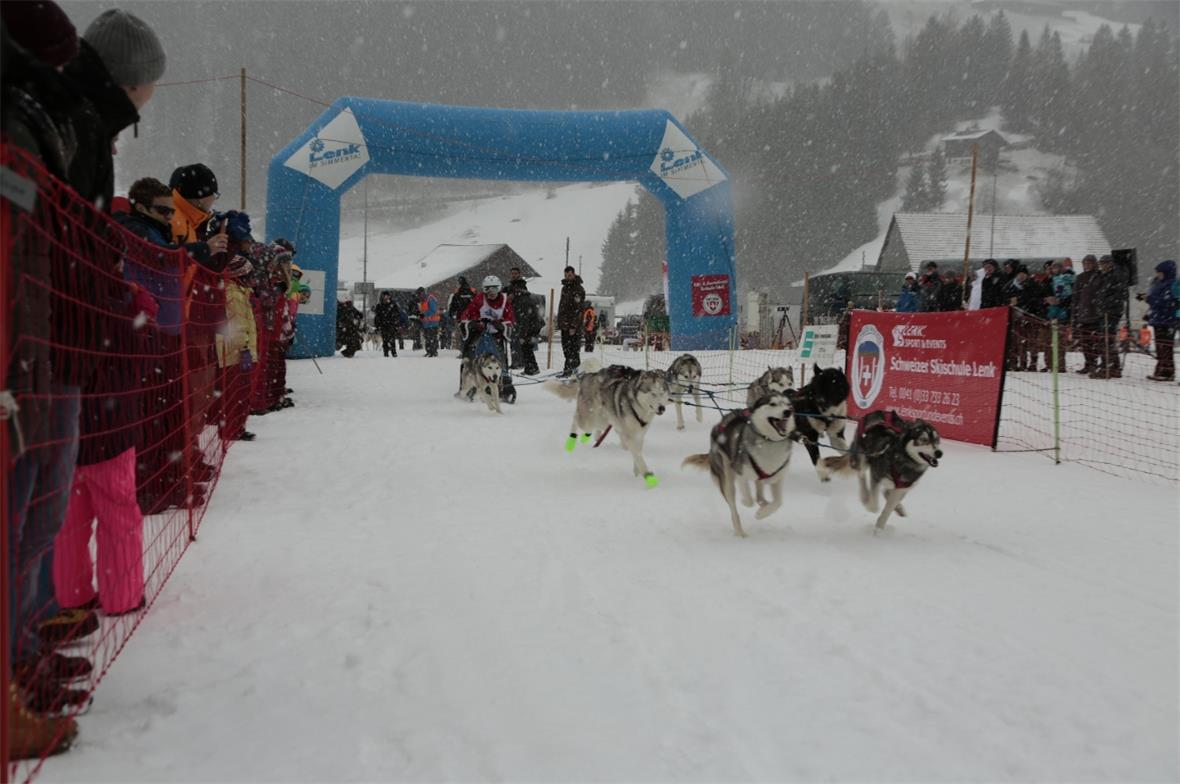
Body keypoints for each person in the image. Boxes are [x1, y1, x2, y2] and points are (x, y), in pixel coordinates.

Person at [1, 1, 86, 757]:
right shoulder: (17, 127)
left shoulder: (32, 123)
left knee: (31, 521)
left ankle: (18, 661)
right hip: (20, 359)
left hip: (33, 357)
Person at [460, 275, 517, 371]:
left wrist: (502, 324)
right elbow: (467, 314)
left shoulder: (504, 301)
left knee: (499, 353)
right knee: (471, 349)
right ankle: (469, 371)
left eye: (494, 288)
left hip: (497, 333)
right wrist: (476, 322)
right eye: (487, 289)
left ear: (499, 288)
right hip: (480, 332)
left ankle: (503, 373)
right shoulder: (479, 299)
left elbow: (510, 318)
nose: (491, 292)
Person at [1090, 254, 1126, 379]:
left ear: (1110, 264)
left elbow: (1118, 294)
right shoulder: (1102, 276)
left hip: (1111, 312)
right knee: (1105, 339)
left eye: (1105, 263)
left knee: (1107, 340)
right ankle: (1113, 366)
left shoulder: (1116, 276)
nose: (1102, 266)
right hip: (1103, 311)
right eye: (1101, 263)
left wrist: (1105, 305)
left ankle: (1108, 366)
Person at [1141, 260, 1177, 381]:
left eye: (1159, 273)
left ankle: (1167, 371)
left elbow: (1166, 302)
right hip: (1160, 319)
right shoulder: (1160, 284)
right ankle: (1161, 369)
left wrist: (1150, 299)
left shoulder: (1172, 285)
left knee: (1165, 346)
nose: (1157, 275)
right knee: (1160, 347)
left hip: (1167, 320)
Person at [1042, 259, 1074, 372]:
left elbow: (1070, 296)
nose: (1051, 270)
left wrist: (1060, 302)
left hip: (1062, 313)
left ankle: (1060, 365)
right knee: (1047, 342)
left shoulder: (1066, 279)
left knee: (1059, 342)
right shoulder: (1046, 281)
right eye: (1049, 268)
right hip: (1049, 314)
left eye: (1054, 268)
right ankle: (1049, 364)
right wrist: (1046, 300)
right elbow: (1040, 297)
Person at [1071, 255, 1101, 375]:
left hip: (1095, 314)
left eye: (1089, 263)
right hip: (1083, 315)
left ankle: (1094, 363)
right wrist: (1075, 313)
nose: (1087, 265)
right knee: (1085, 342)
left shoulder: (1099, 276)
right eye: (1085, 263)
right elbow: (1075, 297)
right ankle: (1088, 363)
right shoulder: (1080, 277)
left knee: (1094, 342)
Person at [508, 277, 542, 375]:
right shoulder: (523, 297)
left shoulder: (521, 300)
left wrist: (523, 334)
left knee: (526, 348)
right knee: (527, 348)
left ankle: (532, 368)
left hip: (530, 327)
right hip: (532, 326)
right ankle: (531, 367)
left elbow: (524, 318)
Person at [557, 266, 585, 376]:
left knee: (574, 349)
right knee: (566, 349)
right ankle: (568, 370)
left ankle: (574, 371)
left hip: (574, 326)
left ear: (573, 274)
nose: (567, 277)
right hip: (564, 324)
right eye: (566, 275)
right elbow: (562, 307)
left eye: (569, 275)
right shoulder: (564, 288)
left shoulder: (578, 289)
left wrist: (574, 326)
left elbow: (579, 309)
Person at [447, 277, 476, 350]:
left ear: (459, 283)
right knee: (473, 334)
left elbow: (453, 306)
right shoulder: (472, 292)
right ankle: (472, 349)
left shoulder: (457, 293)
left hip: (461, 318)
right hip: (472, 318)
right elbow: (477, 303)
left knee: (463, 335)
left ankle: (464, 350)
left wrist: (451, 314)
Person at [373, 291, 402, 357]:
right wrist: (377, 326)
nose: (386, 297)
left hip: (391, 324)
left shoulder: (393, 305)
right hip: (383, 325)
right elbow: (377, 317)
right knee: (385, 340)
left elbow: (397, 315)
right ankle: (386, 353)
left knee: (392, 339)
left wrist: (396, 324)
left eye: (387, 295)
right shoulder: (379, 305)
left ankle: (393, 352)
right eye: (384, 296)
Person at [416, 287, 441, 357]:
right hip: (426, 323)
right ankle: (429, 351)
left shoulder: (430, 298)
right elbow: (423, 310)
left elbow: (433, 310)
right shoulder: (422, 300)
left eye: (419, 294)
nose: (419, 296)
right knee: (427, 338)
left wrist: (424, 315)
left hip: (433, 322)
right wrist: (420, 315)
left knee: (432, 337)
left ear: (422, 293)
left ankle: (434, 352)